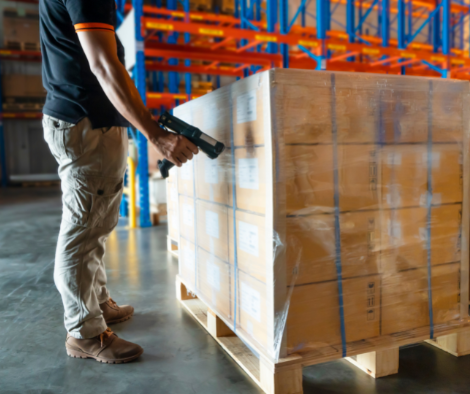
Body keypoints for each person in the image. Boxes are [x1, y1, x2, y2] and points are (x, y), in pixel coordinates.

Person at [39, 0, 198, 364]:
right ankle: (85, 332)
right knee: (82, 230)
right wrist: (155, 135)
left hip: (88, 119)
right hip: (85, 120)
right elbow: (103, 65)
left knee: (96, 222)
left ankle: (97, 304)